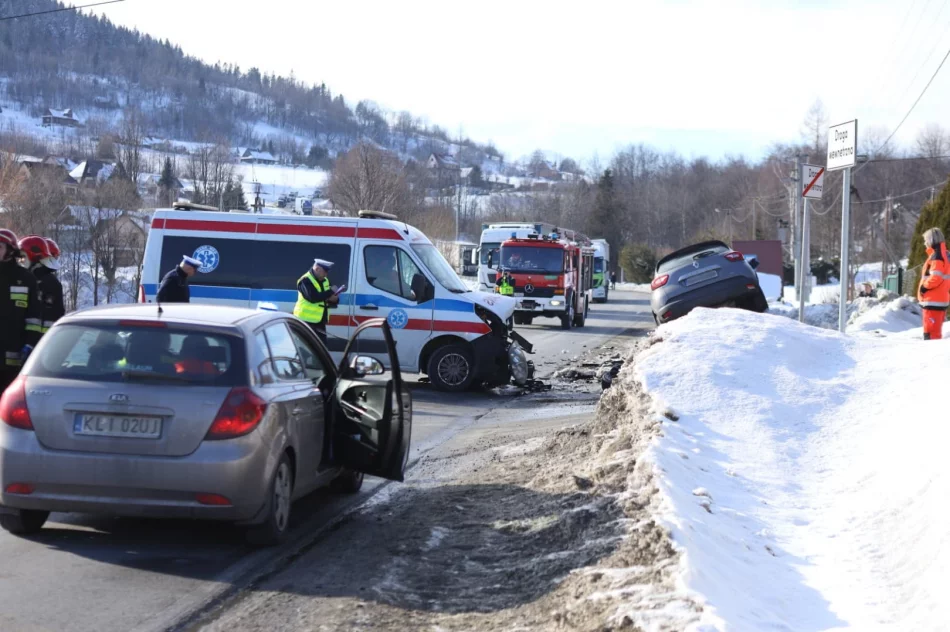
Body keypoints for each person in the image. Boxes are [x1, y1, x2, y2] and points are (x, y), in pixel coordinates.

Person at [0, 229, 42, 392]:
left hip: (15, 359)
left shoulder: (26, 278)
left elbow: (34, 317)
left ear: (10, 251)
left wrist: (30, 344)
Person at [18, 235, 64, 335]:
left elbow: (48, 315)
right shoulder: (27, 280)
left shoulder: (49, 283)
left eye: (23, 257)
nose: (20, 261)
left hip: (41, 340)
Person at [294, 258, 340, 345]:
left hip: (320, 322)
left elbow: (327, 297)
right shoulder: (305, 280)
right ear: (317, 269)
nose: (326, 274)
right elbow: (313, 297)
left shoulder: (325, 280)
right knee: (305, 348)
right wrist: (330, 292)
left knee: (321, 348)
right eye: (325, 271)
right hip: (305, 322)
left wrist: (335, 299)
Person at [917, 227, 950, 340]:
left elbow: (936, 277)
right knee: (934, 334)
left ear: (931, 240)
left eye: (926, 240)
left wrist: (924, 287)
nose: (924, 243)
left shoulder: (937, 256)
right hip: (939, 298)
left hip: (933, 300)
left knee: (931, 335)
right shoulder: (945, 254)